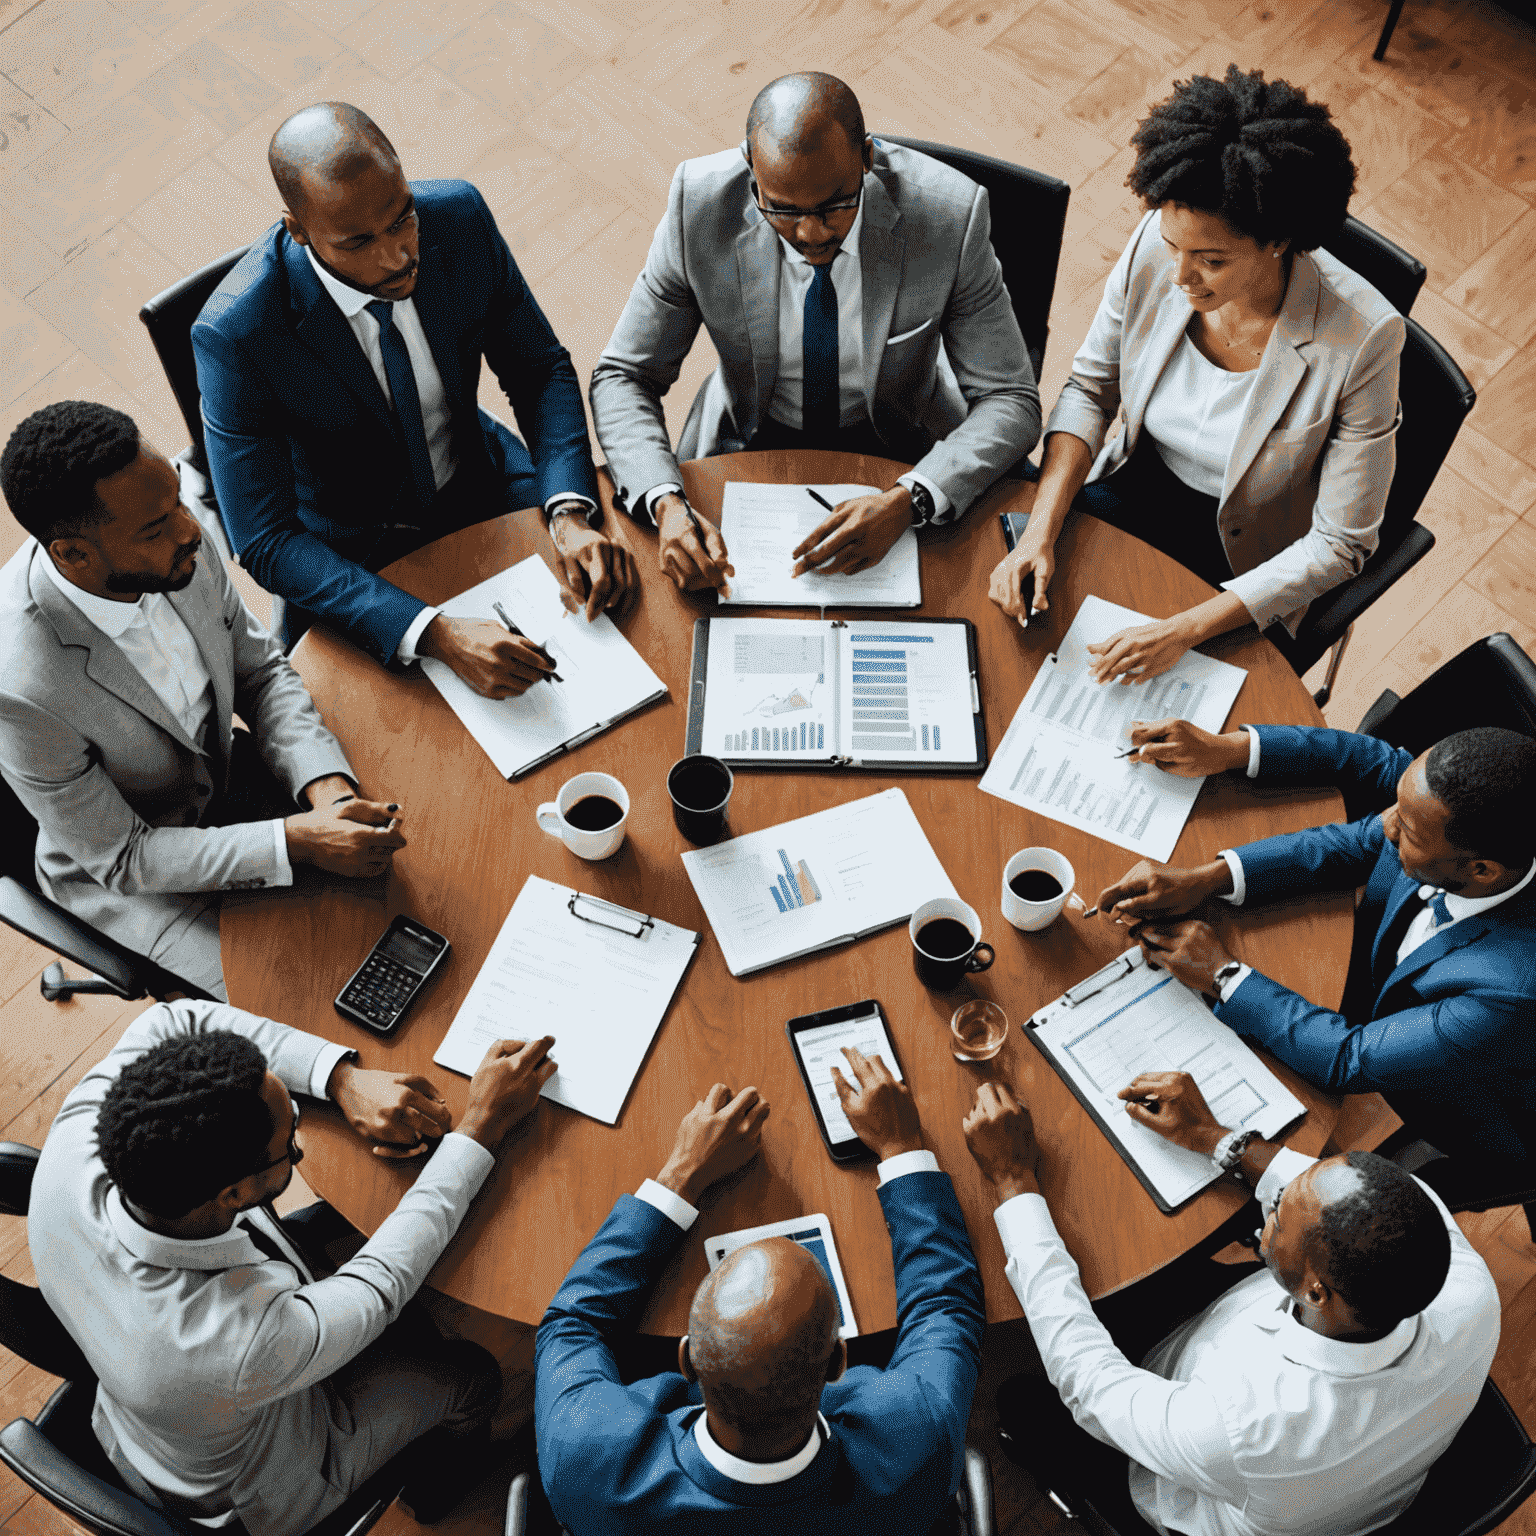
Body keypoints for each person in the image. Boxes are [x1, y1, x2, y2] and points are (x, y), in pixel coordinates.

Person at [29, 994, 560, 1535]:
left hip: (148, 1407)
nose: (298, 1140)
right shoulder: (233, 1340)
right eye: (291, 1145)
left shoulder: (78, 1134)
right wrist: (480, 1127)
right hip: (263, 1479)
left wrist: (342, 1081)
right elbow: (378, 1285)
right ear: (233, 1193)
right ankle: (435, 1488)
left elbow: (173, 1020)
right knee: (472, 1375)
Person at [193, 101, 637, 685]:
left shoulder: (459, 218)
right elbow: (266, 539)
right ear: (297, 231)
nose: (399, 255)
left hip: (483, 486)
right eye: (358, 242)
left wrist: (570, 511)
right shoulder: (237, 336)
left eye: (402, 217)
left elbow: (539, 369)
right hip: (352, 558)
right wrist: (432, 632)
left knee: (620, 629)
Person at [989, 65, 1402, 685]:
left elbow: (1341, 543)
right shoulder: (1157, 247)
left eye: (1211, 261)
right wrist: (1038, 536)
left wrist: (1180, 630)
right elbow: (1090, 392)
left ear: (1279, 241)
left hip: (1248, 557)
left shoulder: (1364, 340)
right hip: (1134, 483)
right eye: (1172, 246)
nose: (1181, 278)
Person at [964, 1070, 1498, 1535]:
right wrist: (1217, 1139)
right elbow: (1327, 1198)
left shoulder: (1246, 1426)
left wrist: (1013, 1179)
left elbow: (1090, 1383)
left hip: (1195, 1485)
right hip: (1355, 1488)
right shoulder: (1463, 1279)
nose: (1272, 1205)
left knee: (1026, 1391)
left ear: (1316, 1291)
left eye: (1280, 1215)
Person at [0, 401, 404, 1001]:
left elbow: (261, 672)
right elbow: (126, 859)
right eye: (156, 528)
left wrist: (327, 791)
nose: (191, 529)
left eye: (179, 502)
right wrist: (299, 840)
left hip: (230, 784)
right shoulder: (19, 687)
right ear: (74, 555)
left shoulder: (176, 540)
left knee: (414, 887)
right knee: (300, 1007)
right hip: (141, 878)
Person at [591, 71, 1040, 594]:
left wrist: (909, 499)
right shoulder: (699, 205)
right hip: (745, 437)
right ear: (750, 168)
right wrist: (666, 501)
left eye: (834, 206)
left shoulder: (949, 216)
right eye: (781, 209)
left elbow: (1011, 398)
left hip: (907, 445)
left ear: (867, 159)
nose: (810, 234)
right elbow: (624, 374)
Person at [535, 1047, 986, 1534]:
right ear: (838, 1362)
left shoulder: (587, 1457)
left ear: (686, 1360)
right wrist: (902, 1148)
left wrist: (681, 1174)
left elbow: (573, 1323)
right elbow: (945, 1309)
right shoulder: (920, 1442)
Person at [1094, 718, 1536, 1187]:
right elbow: (1364, 798)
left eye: (1406, 831)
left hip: (1456, 1100)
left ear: (1483, 870)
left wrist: (1223, 975)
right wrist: (1207, 878)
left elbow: (1350, 1057)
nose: (1386, 824)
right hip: (1372, 984)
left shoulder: (1511, 992)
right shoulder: (1442, 820)